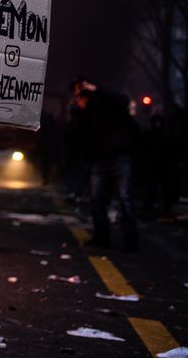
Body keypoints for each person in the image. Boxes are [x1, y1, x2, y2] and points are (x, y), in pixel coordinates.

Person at [69, 79, 139, 251]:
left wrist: (95, 89)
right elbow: (79, 136)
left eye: (81, 95)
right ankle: (102, 237)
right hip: (99, 160)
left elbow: (122, 99)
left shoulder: (108, 105)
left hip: (119, 157)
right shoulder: (85, 114)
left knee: (125, 199)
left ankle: (130, 241)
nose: (79, 99)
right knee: (97, 200)